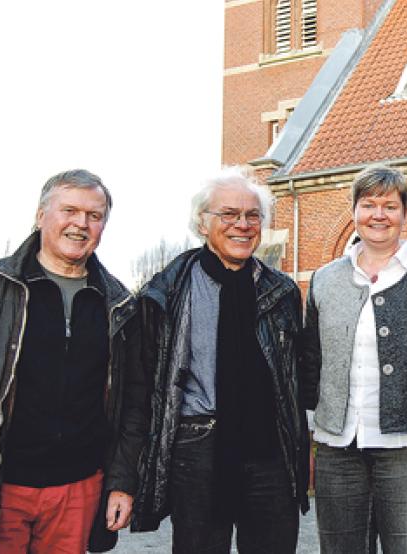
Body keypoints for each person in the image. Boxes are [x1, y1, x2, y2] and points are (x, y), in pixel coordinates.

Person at [0, 169, 146, 553]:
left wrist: (123, 482)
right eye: (69, 210)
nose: (81, 224)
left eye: (95, 215)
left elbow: (134, 406)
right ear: (41, 216)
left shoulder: (119, 303)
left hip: (78, 489)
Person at [130, 166, 309, 554]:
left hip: (270, 451)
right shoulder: (167, 291)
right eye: (228, 214)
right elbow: (144, 384)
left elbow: (301, 375)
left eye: (251, 215)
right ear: (202, 222)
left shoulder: (282, 293)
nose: (241, 225)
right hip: (197, 452)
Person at [300, 164, 407, 553]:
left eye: (390, 206)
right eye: (368, 204)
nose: (379, 215)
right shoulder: (326, 279)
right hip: (337, 449)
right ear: (354, 212)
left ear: (404, 213)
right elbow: (311, 362)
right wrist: (308, 437)